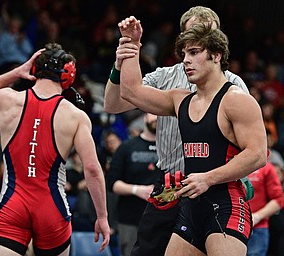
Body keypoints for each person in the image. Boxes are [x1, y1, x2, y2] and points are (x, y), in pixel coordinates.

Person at [104, 6, 251, 256]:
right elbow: (116, 102)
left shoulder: (234, 87)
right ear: (182, 39)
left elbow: (255, 150)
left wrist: (230, 178)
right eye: (194, 36)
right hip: (170, 183)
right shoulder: (169, 84)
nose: (202, 41)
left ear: (217, 49)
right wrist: (124, 58)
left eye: (208, 36)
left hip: (215, 186)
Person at [0, 42, 110, 256]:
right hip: (51, 208)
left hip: (13, 203)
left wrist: (18, 72)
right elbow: (93, 169)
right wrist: (102, 216)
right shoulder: (75, 116)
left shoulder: (9, 100)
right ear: (69, 75)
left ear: (34, 70)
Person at [107, 113, 160, 256]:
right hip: (130, 219)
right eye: (152, 114)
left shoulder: (170, 149)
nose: (156, 118)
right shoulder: (127, 147)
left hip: (161, 220)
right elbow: (112, 183)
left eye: (159, 114)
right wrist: (136, 190)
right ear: (144, 117)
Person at [246, 162, 284, 256]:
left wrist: (257, 216)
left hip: (257, 229)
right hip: (230, 227)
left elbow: (278, 200)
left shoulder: (266, 168)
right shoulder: (229, 165)